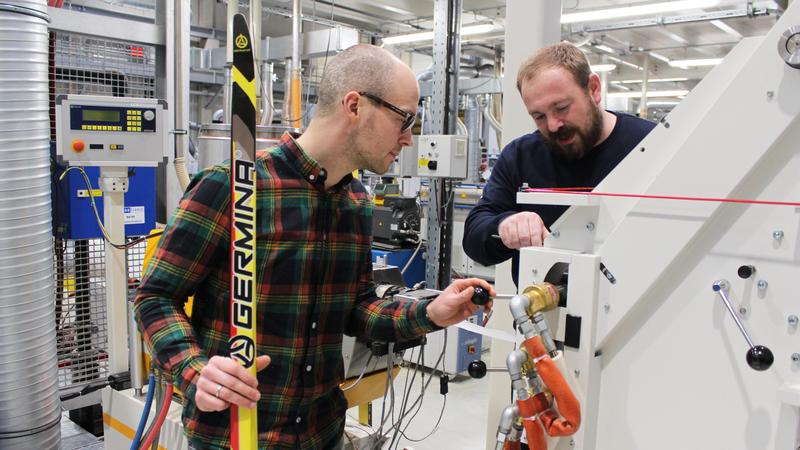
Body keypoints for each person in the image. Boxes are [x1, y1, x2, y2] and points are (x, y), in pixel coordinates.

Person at [135, 44, 494, 450]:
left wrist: (430, 311)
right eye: (405, 119)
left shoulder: (355, 202)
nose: (409, 139)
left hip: (322, 434)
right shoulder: (232, 187)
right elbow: (154, 298)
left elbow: (356, 309)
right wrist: (196, 370)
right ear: (355, 105)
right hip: (237, 435)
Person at [463, 42, 656, 286]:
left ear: (594, 89)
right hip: (543, 318)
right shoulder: (520, 156)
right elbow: (474, 235)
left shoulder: (651, 144)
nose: (553, 125)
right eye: (539, 116)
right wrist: (504, 225)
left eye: (562, 108)